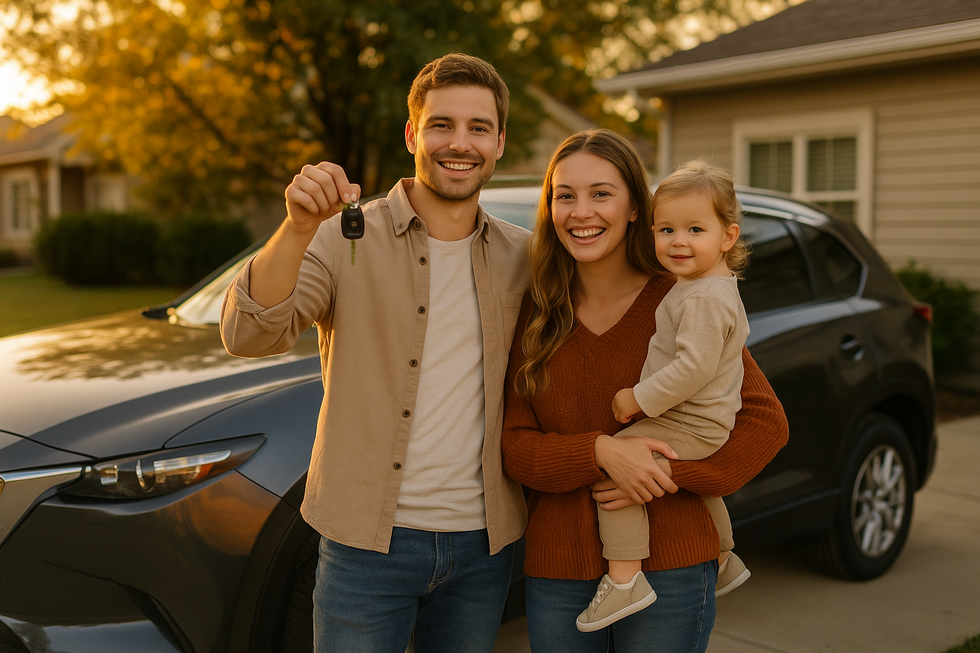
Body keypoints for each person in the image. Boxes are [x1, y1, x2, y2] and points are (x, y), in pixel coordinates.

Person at [220, 53, 531, 653]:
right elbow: (249, 333)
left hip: (483, 545)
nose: (458, 143)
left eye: (478, 128)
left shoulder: (525, 255)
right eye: (441, 124)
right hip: (365, 545)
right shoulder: (340, 236)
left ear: (497, 143)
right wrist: (295, 226)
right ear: (412, 133)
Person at [501, 129, 788, 652]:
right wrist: (601, 452)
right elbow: (515, 445)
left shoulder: (683, 296)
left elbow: (764, 421)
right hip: (558, 568)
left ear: (636, 207)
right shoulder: (539, 314)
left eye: (601, 193)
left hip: (673, 563)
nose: (580, 211)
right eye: (564, 195)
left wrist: (666, 474)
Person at [576, 158, 752, 633]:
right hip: (705, 421)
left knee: (618, 477)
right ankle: (723, 555)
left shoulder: (700, 298)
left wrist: (637, 399)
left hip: (689, 420)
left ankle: (625, 577)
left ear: (728, 237)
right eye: (666, 229)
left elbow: (693, 367)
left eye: (695, 229)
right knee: (682, 480)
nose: (678, 241)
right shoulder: (705, 287)